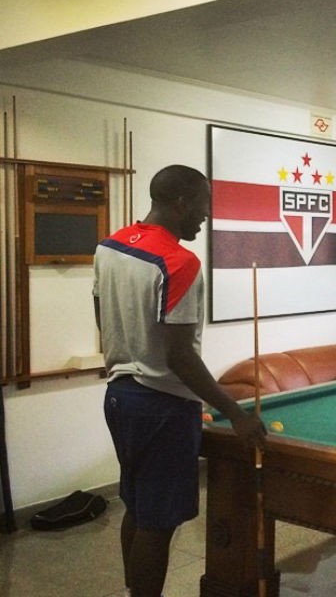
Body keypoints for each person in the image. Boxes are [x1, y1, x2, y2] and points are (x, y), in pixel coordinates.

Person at [93, 165, 266, 597]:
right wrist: (234, 412)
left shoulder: (109, 246)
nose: (205, 216)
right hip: (162, 406)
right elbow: (180, 356)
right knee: (159, 522)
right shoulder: (179, 262)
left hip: (119, 396)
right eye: (204, 205)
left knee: (137, 508)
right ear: (181, 202)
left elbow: (102, 317)